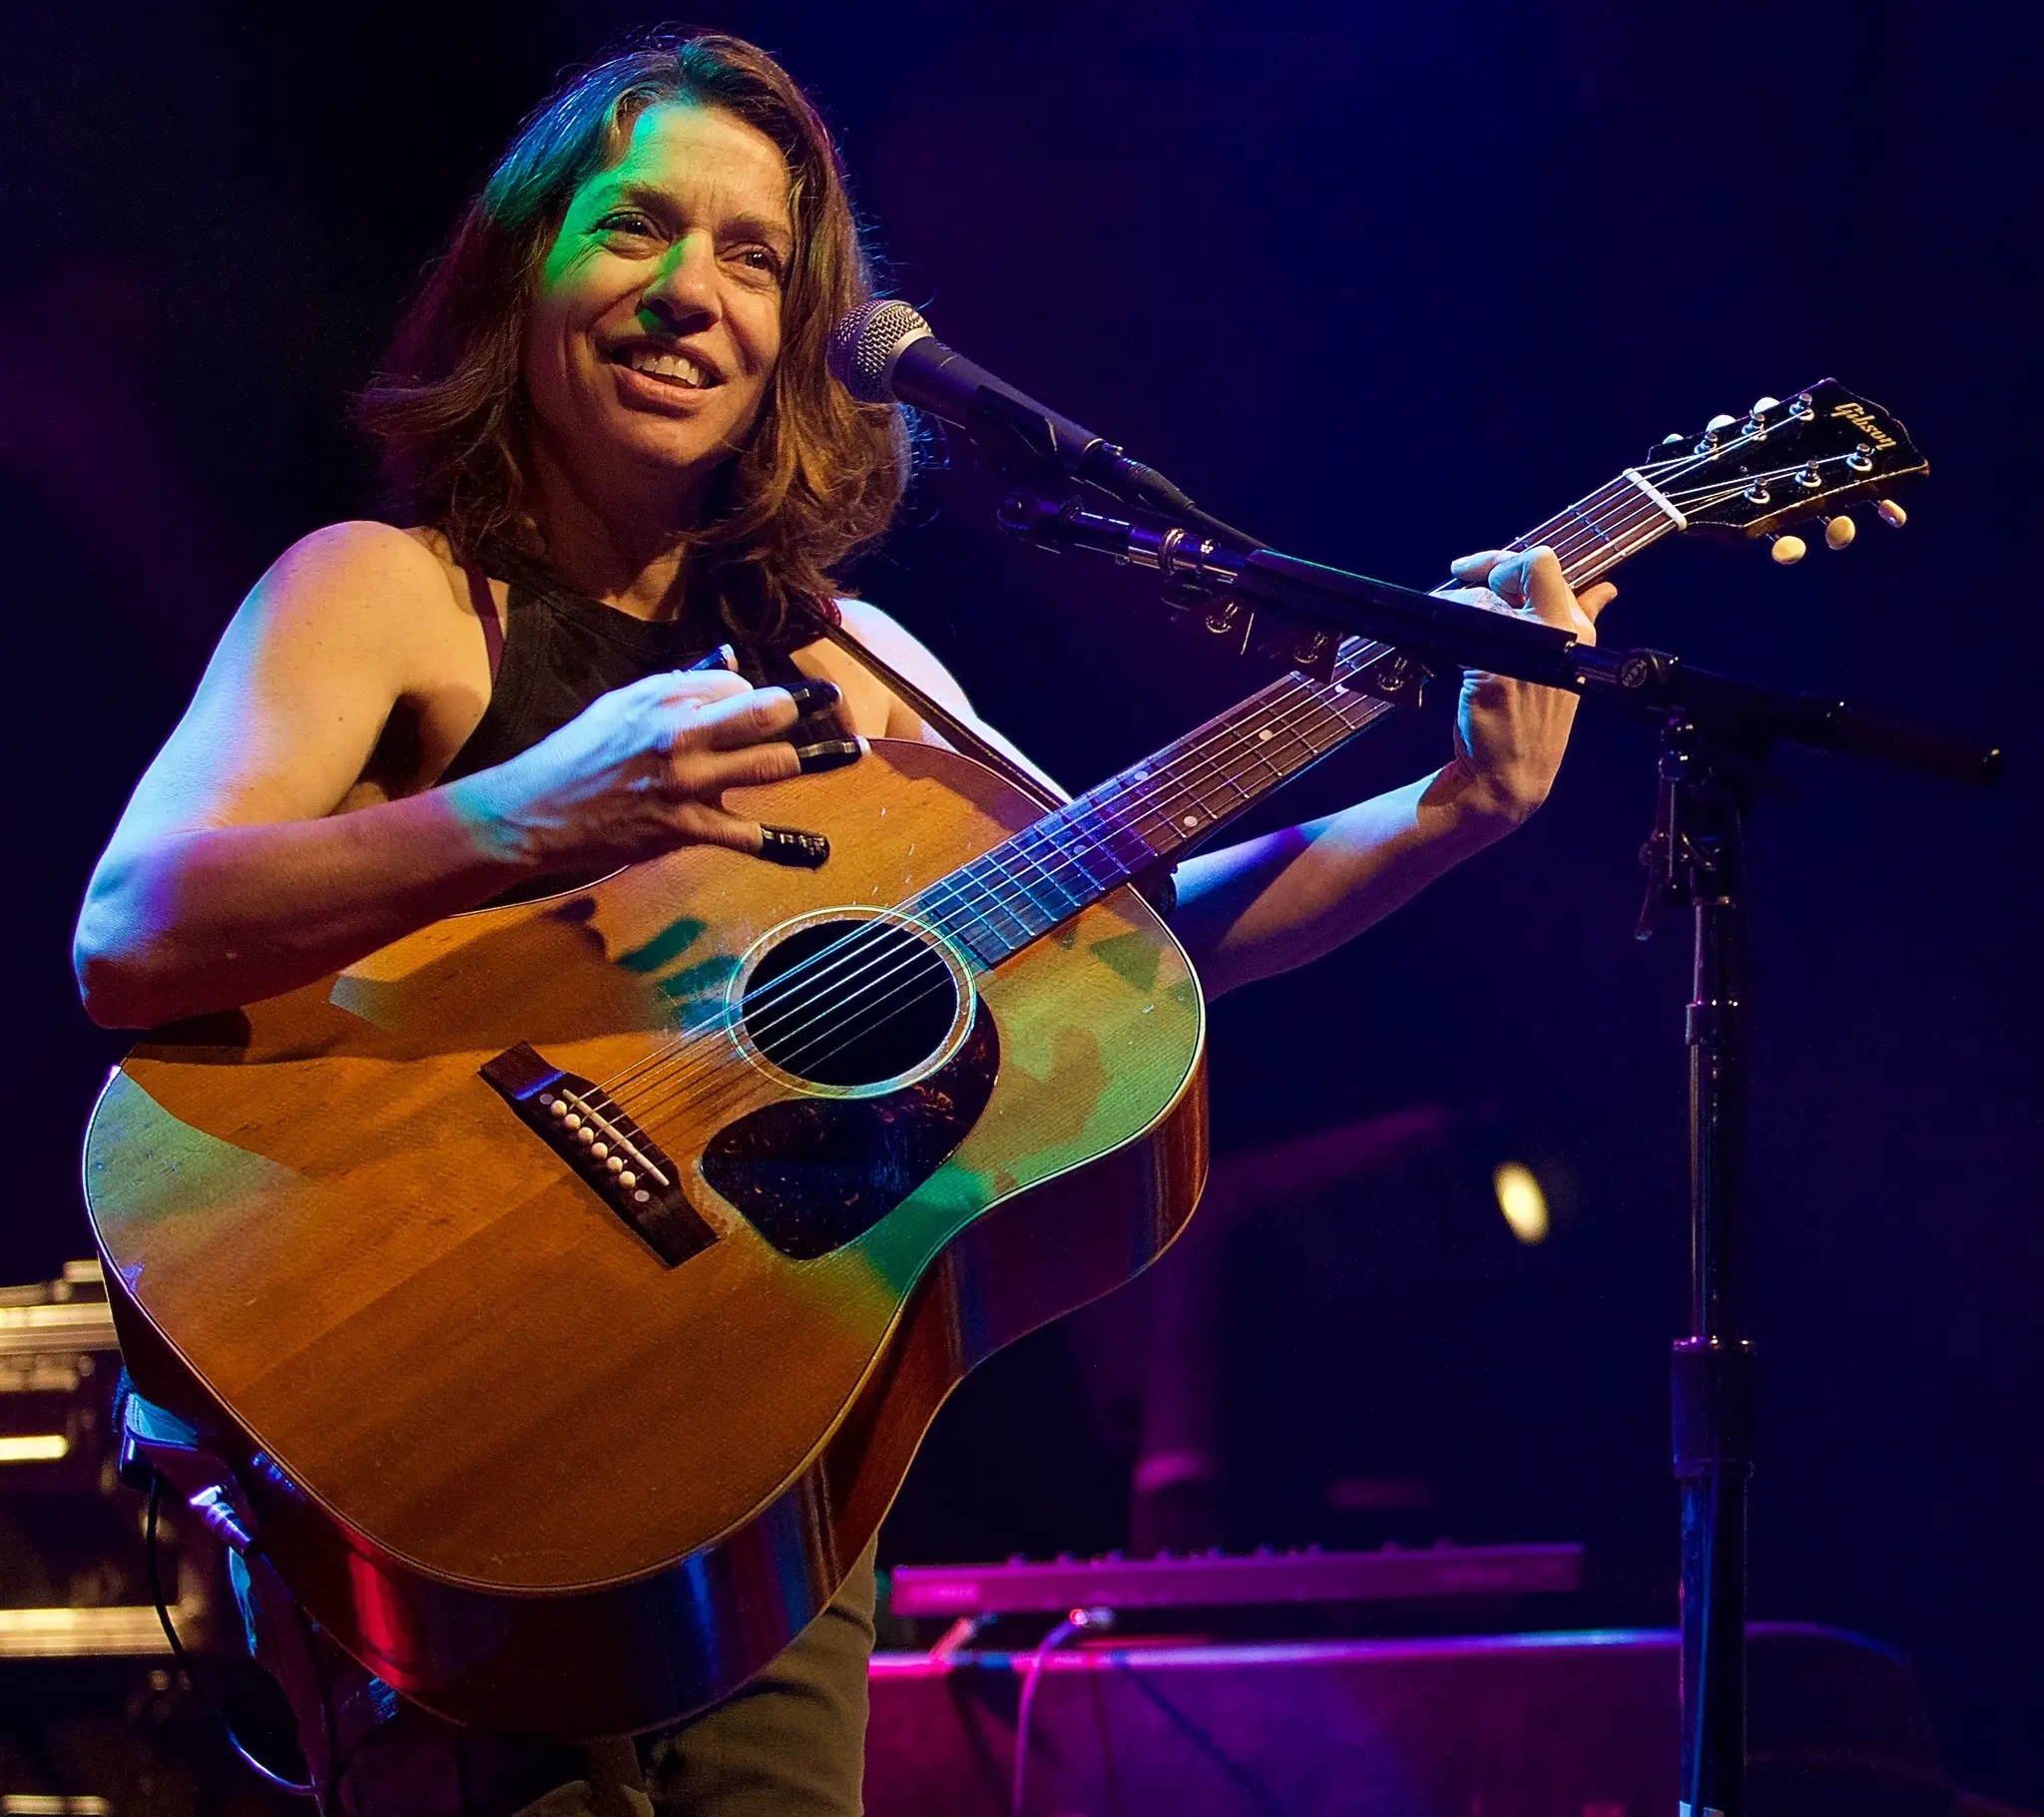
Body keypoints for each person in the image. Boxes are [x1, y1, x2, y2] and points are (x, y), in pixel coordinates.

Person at [71, 29, 1613, 1817]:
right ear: (527, 270)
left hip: (773, 1478)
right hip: (443, 1430)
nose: (687, 293)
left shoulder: (861, 669)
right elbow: (132, 927)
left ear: (804, 338)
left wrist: (1448, 813)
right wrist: (522, 812)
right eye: (632, 228)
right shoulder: (393, 596)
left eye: (750, 257)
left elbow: (1119, 930)